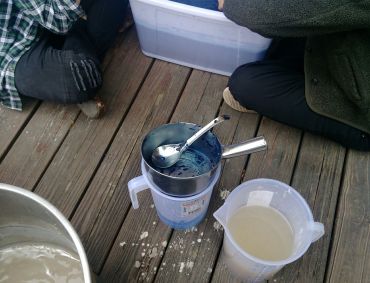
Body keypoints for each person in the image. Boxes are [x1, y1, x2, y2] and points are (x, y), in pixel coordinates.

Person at [218, 0, 370, 151]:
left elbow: (306, 10)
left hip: (359, 109)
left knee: (245, 84)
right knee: (276, 45)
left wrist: (232, 4)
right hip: (347, 46)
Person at [0, 0, 128, 118]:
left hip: (49, 17)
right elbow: (59, 21)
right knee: (81, 77)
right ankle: (77, 43)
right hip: (14, 50)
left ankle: (74, 49)